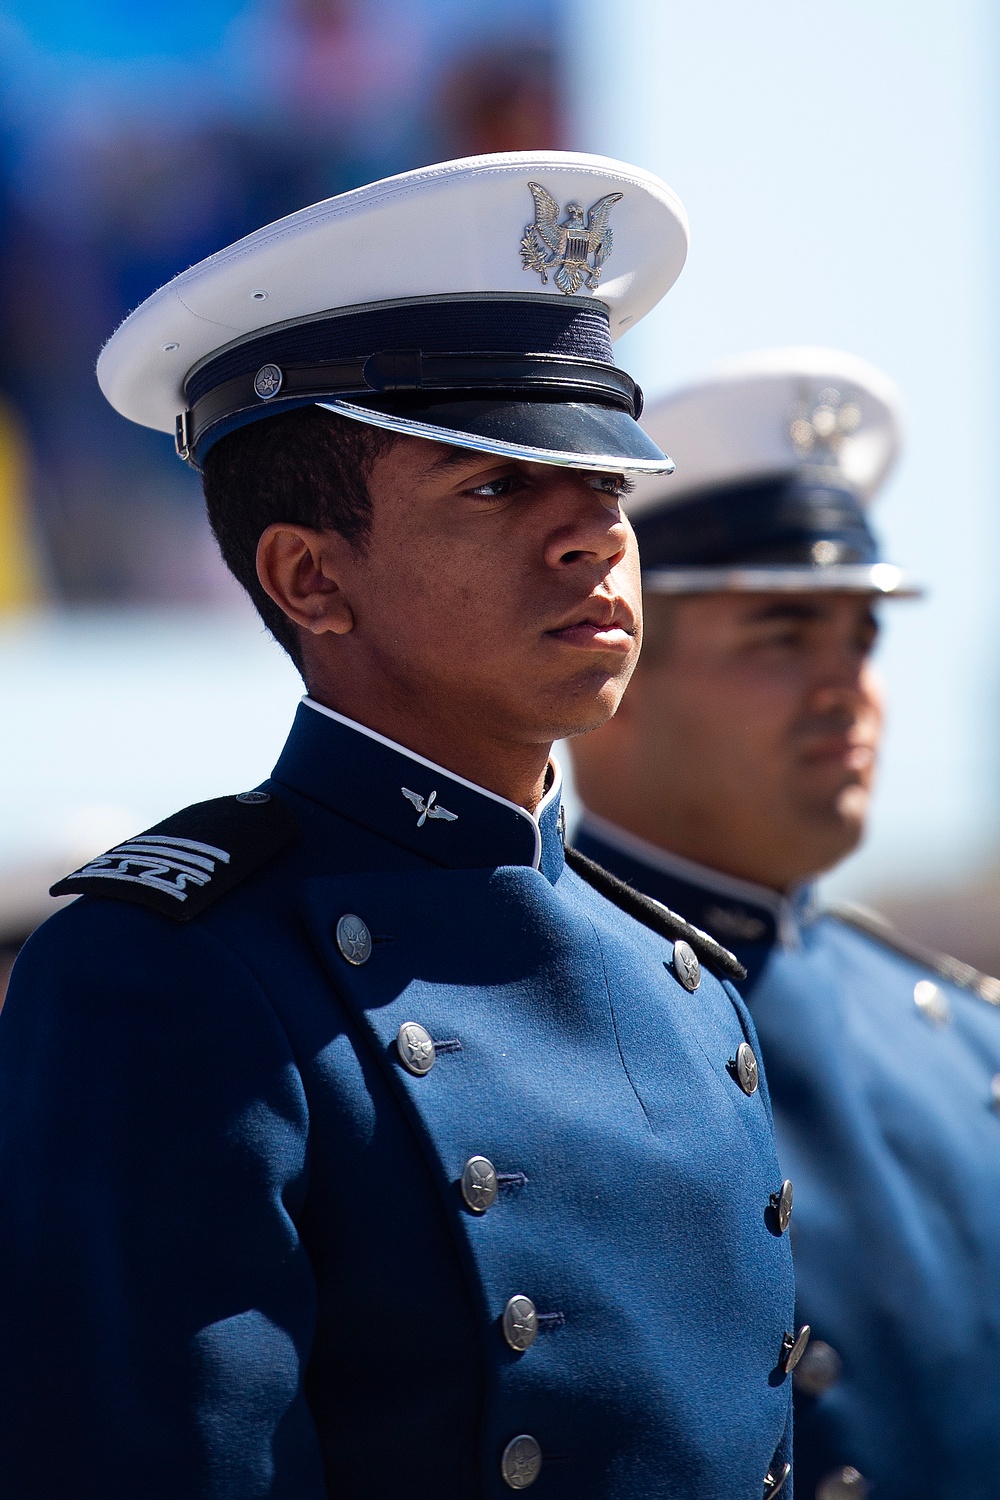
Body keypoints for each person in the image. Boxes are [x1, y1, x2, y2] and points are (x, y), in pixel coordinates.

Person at [0, 155, 797, 1500]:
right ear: (311, 577)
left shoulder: (685, 982)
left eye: (606, 483)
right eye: (494, 486)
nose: (591, 535)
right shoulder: (170, 973)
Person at [571, 347, 1000, 1500]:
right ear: (612, 668)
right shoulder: (504, 1002)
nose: (844, 685)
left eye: (861, 638)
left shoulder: (961, 1039)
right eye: (779, 636)